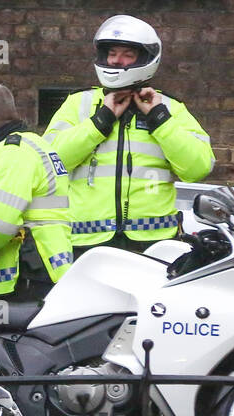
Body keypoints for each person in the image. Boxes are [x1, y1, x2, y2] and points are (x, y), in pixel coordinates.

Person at [44, 15, 215, 258]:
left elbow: (198, 167)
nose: (116, 61)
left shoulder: (170, 107)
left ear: (144, 58)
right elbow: (50, 161)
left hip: (154, 245)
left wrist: (159, 120)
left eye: (127, 54)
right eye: (112, 53)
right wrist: (99, 122)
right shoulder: (78, 104)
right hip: (87, 244)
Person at [0, 83, 75, 300]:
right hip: (47, 270)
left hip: (26, 275)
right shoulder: (36, 144)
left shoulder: (11, 153)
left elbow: (0, 224)